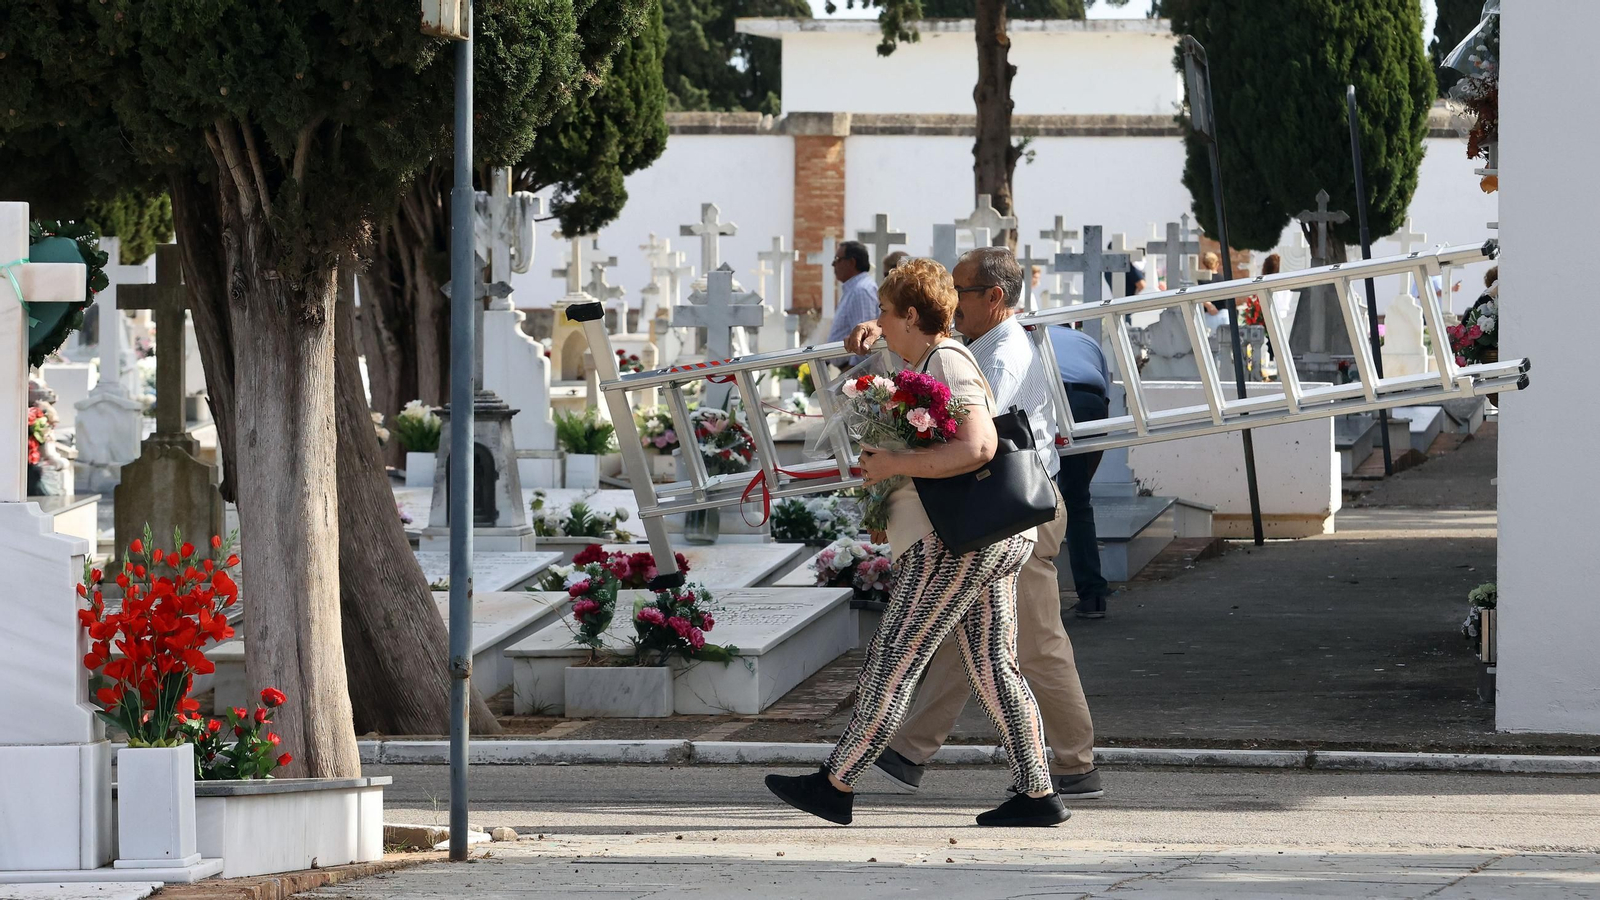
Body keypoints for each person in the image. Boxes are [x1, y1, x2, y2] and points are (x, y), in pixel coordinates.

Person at [767, 257, 1067, 828]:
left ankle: (837, 782)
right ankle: (1037, 793)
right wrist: (881, 334)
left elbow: (978, 448)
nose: (877, 318)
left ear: (911, 315)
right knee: (993, 667)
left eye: (885, 310)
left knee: (894, 659)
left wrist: (893, 464)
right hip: (990, 536)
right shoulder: (935, 356)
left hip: (954, 544)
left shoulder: (948, 361)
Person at [844, 248, 1102, 802]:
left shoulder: (1000, 355)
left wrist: (895, 462)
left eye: (961, 292)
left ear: (995, 298)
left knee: (1030, 647)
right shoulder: (977, 345)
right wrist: (890, 330)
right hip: (996, 510)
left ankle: (1076, 764)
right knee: (979, 643)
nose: (954, 303)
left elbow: (965, 437)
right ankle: (911, 750)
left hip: (1014, 509)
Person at [1047, 324, 1114, 619]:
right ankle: (1093, 596)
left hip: (1048, 395)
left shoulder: (1027, 333)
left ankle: (1031, 600)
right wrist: (1085, 477)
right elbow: (1104, 406)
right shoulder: (1087, 341)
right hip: (1088, 402)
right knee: (1077, 503)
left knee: (1026, 501)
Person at [826, 240, 878, 365]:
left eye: (838, 259)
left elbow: (864, 339)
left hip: (853, 370)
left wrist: (851, 372)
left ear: (852, 262)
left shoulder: (861, 291)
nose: (833, 264)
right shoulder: (853, 289)